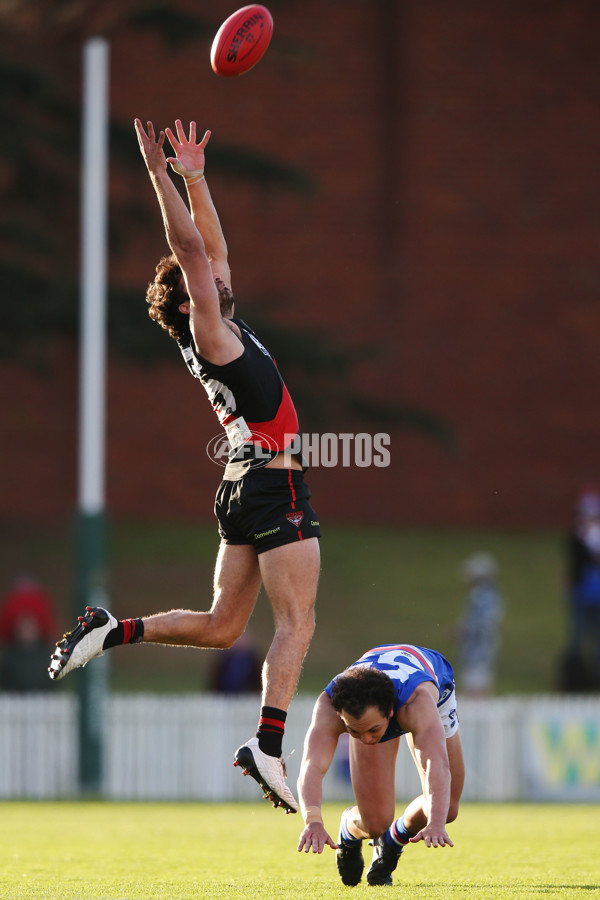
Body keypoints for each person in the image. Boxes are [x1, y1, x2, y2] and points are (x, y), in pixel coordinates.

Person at [48, 119, 322, 814]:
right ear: (190, 298)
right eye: (204, 280)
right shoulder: (210, 329)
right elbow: (192, 247)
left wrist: (197, 177)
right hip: (270, 477)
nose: (220, 274)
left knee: (224, 626)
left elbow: (212, 246)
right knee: (299, 622)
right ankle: (267, 744)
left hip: (241, 483)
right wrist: (157, 171)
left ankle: (114, 630)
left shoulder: (222, 325)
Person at [296, 643, 465, 887]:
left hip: (432, 684)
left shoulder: (416, 704)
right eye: (354, 731)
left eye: (374, 729)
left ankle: (393, 840)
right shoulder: (330, 704)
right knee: (375, 823)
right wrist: (313, 821)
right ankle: (350, 828)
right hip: (375, 687)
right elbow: (312, 765)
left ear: (390, 712)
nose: (366, 739)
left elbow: (435, 763)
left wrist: (435, 823)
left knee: (446, 808)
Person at [561, 487, 600, 690]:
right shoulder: (577, 535)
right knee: (577, 637)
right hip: (582, 595)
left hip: (596, 595)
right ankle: (575, 680)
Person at [455, 553, 504, 698]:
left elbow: (479, 624)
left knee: (475, 681)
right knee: (480, 678)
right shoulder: (490, 595)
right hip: (482, 645)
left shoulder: (482, 596)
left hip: (477, 647)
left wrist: (463, 632)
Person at [0, 574, 57, 692]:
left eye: (29, 625)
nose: (26, 630)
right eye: (22, 626)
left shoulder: (48, 658)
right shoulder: (9, 658)